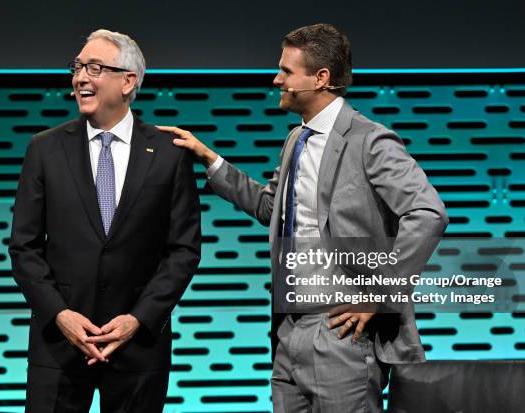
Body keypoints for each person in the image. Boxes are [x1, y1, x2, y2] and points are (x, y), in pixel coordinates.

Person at [158, 23, 448, 413]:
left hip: (340, 333)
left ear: (320, 78)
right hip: (288, 330)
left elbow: (428, 213)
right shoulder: (297, 139)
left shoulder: (369, 141)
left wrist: (380, 293)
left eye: (286, 71)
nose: (276, 79)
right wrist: (209, 159)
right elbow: (268, 207)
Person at [9, 29, 201, 413]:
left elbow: (183, 250)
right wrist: (60, 314)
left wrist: (138, 319)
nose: (80, 78)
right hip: (59, 346)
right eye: (77, 68)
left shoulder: (168, 153)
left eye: (94, 68)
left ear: (128, 81)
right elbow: (24, 246)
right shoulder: (45, 148)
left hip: (138, 348)